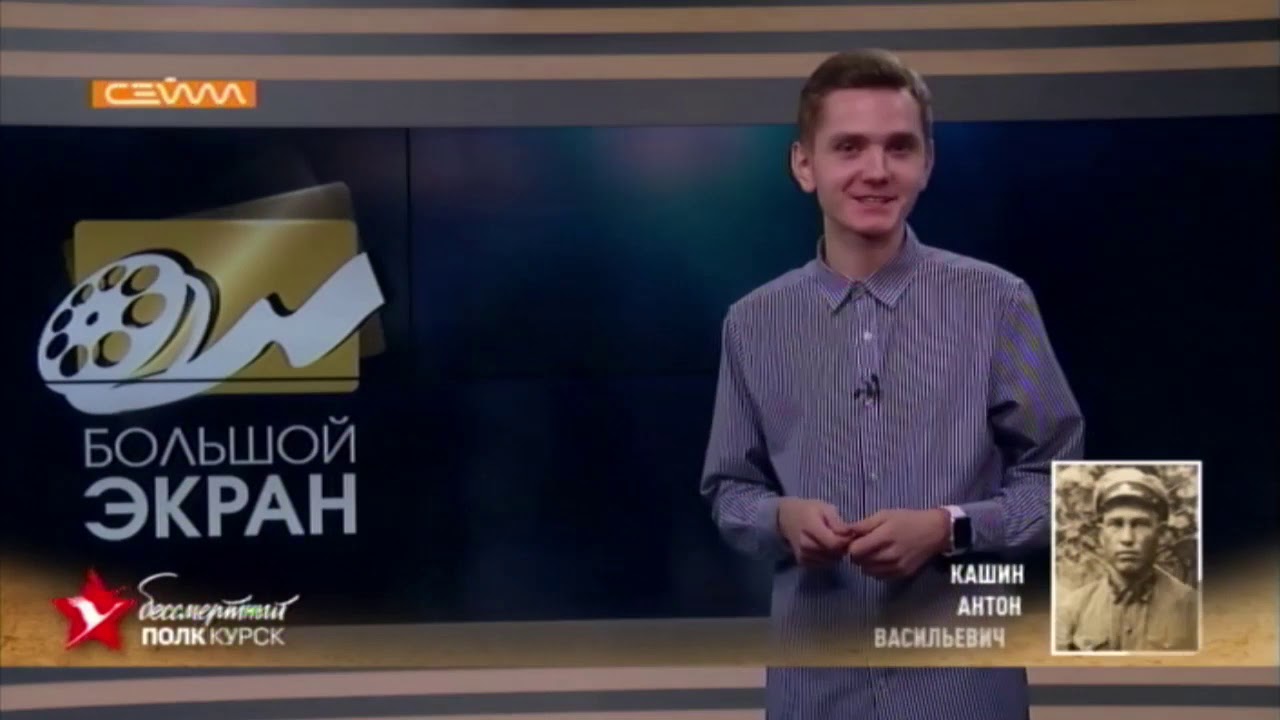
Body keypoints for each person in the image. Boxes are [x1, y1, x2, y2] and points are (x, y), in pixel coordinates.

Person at [700, 49, 1085, 719]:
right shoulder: (753, 322)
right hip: (816, 693)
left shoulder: (997, 302)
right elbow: (730, 491)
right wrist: (781, 518)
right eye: (848, 147)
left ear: (927, 163)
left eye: (899, 147)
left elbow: (1064, 491)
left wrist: (949, 528)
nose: (876, 170)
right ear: (804, 165)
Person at [1056, 468, 1198, 652]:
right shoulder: (1072, 609)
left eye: (1140, 524)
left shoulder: (1192, 608)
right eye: (1116, 524)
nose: (1127, 538)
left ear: (1161, 535)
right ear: (1101, 536)